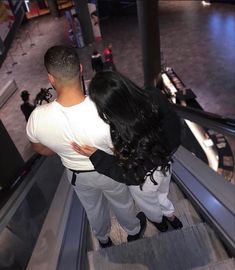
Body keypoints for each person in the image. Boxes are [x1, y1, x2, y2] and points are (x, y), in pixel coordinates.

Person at [26, 46, 146, 248]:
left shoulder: (37, 118)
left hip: (77, 175)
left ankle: (103, 239)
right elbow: (121, 148)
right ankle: (133, 231)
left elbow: (38, 148)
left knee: (93, 208)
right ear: (81, 69)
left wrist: (61, 148)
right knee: (122, 202)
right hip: (109, 170)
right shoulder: (104, 109)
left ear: (51, 79)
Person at [72, 71, 183, 232]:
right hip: (165, 165)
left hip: (143, 182)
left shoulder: (117, 131)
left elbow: (128, 174)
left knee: (149, 206)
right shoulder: (154, 97)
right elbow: (174, 131)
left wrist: (97, 156)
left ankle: (161, 223)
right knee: (162, 193)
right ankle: (170, 215)